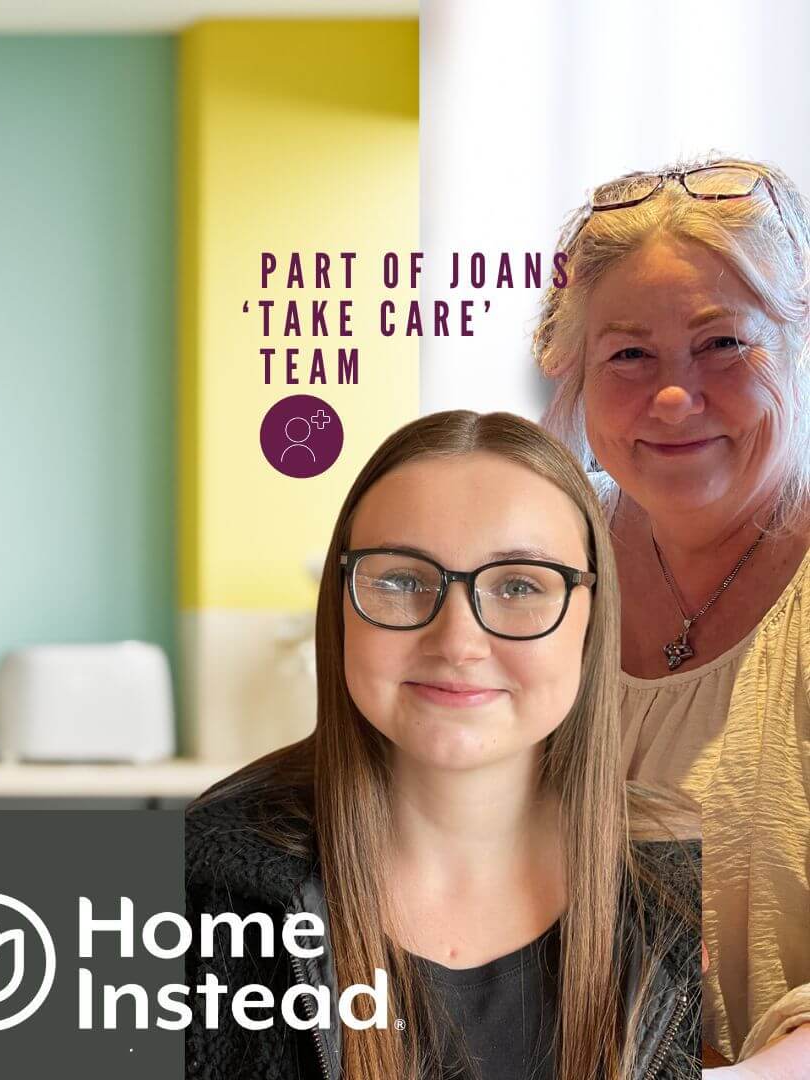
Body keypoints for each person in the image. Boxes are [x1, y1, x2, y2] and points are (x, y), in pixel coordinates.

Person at [185, 410, 701, 1080]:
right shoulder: (193, 875)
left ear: (592, 617)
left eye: (520, 585)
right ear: (340, 605)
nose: (458, 643)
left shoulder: (696, 885)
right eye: (401, 580)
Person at [534, 155, 810, 1073]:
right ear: (570, 370)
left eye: (725, 343)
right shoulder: (531, 564)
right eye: (628, 354)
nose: (673, 396)